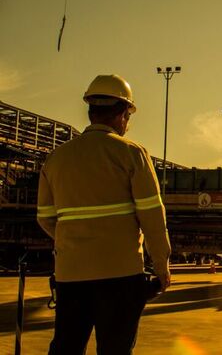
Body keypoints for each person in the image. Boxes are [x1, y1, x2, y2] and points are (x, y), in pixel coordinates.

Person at [37, 74, 171, 354]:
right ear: (123, 113)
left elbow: (46, 217)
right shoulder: (132, 154)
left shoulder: (56, 158)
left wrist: (75, 241)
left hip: (71, 276)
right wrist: (161, 264)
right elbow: (152, 217)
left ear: (91, 111)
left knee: (67, 347)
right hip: (120, 276)